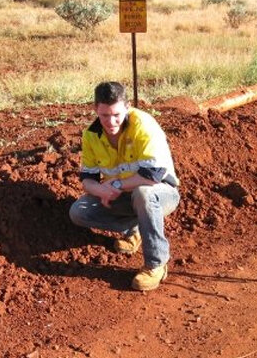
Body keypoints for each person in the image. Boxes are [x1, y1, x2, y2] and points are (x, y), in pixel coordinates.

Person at [69, 81, 180, 291]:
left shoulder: (144, 125)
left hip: (161, 192)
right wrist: (100, 190)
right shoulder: (91, 135)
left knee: (144, 193)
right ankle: (135, 228)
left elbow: (152, 176)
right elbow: (87, 179)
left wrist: (117, 184)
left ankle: (156, 264)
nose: (111, 122)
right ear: (95, 110)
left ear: (127, 107)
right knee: (79, 212)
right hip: (123, 196)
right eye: (104, 115)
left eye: (117, 115)